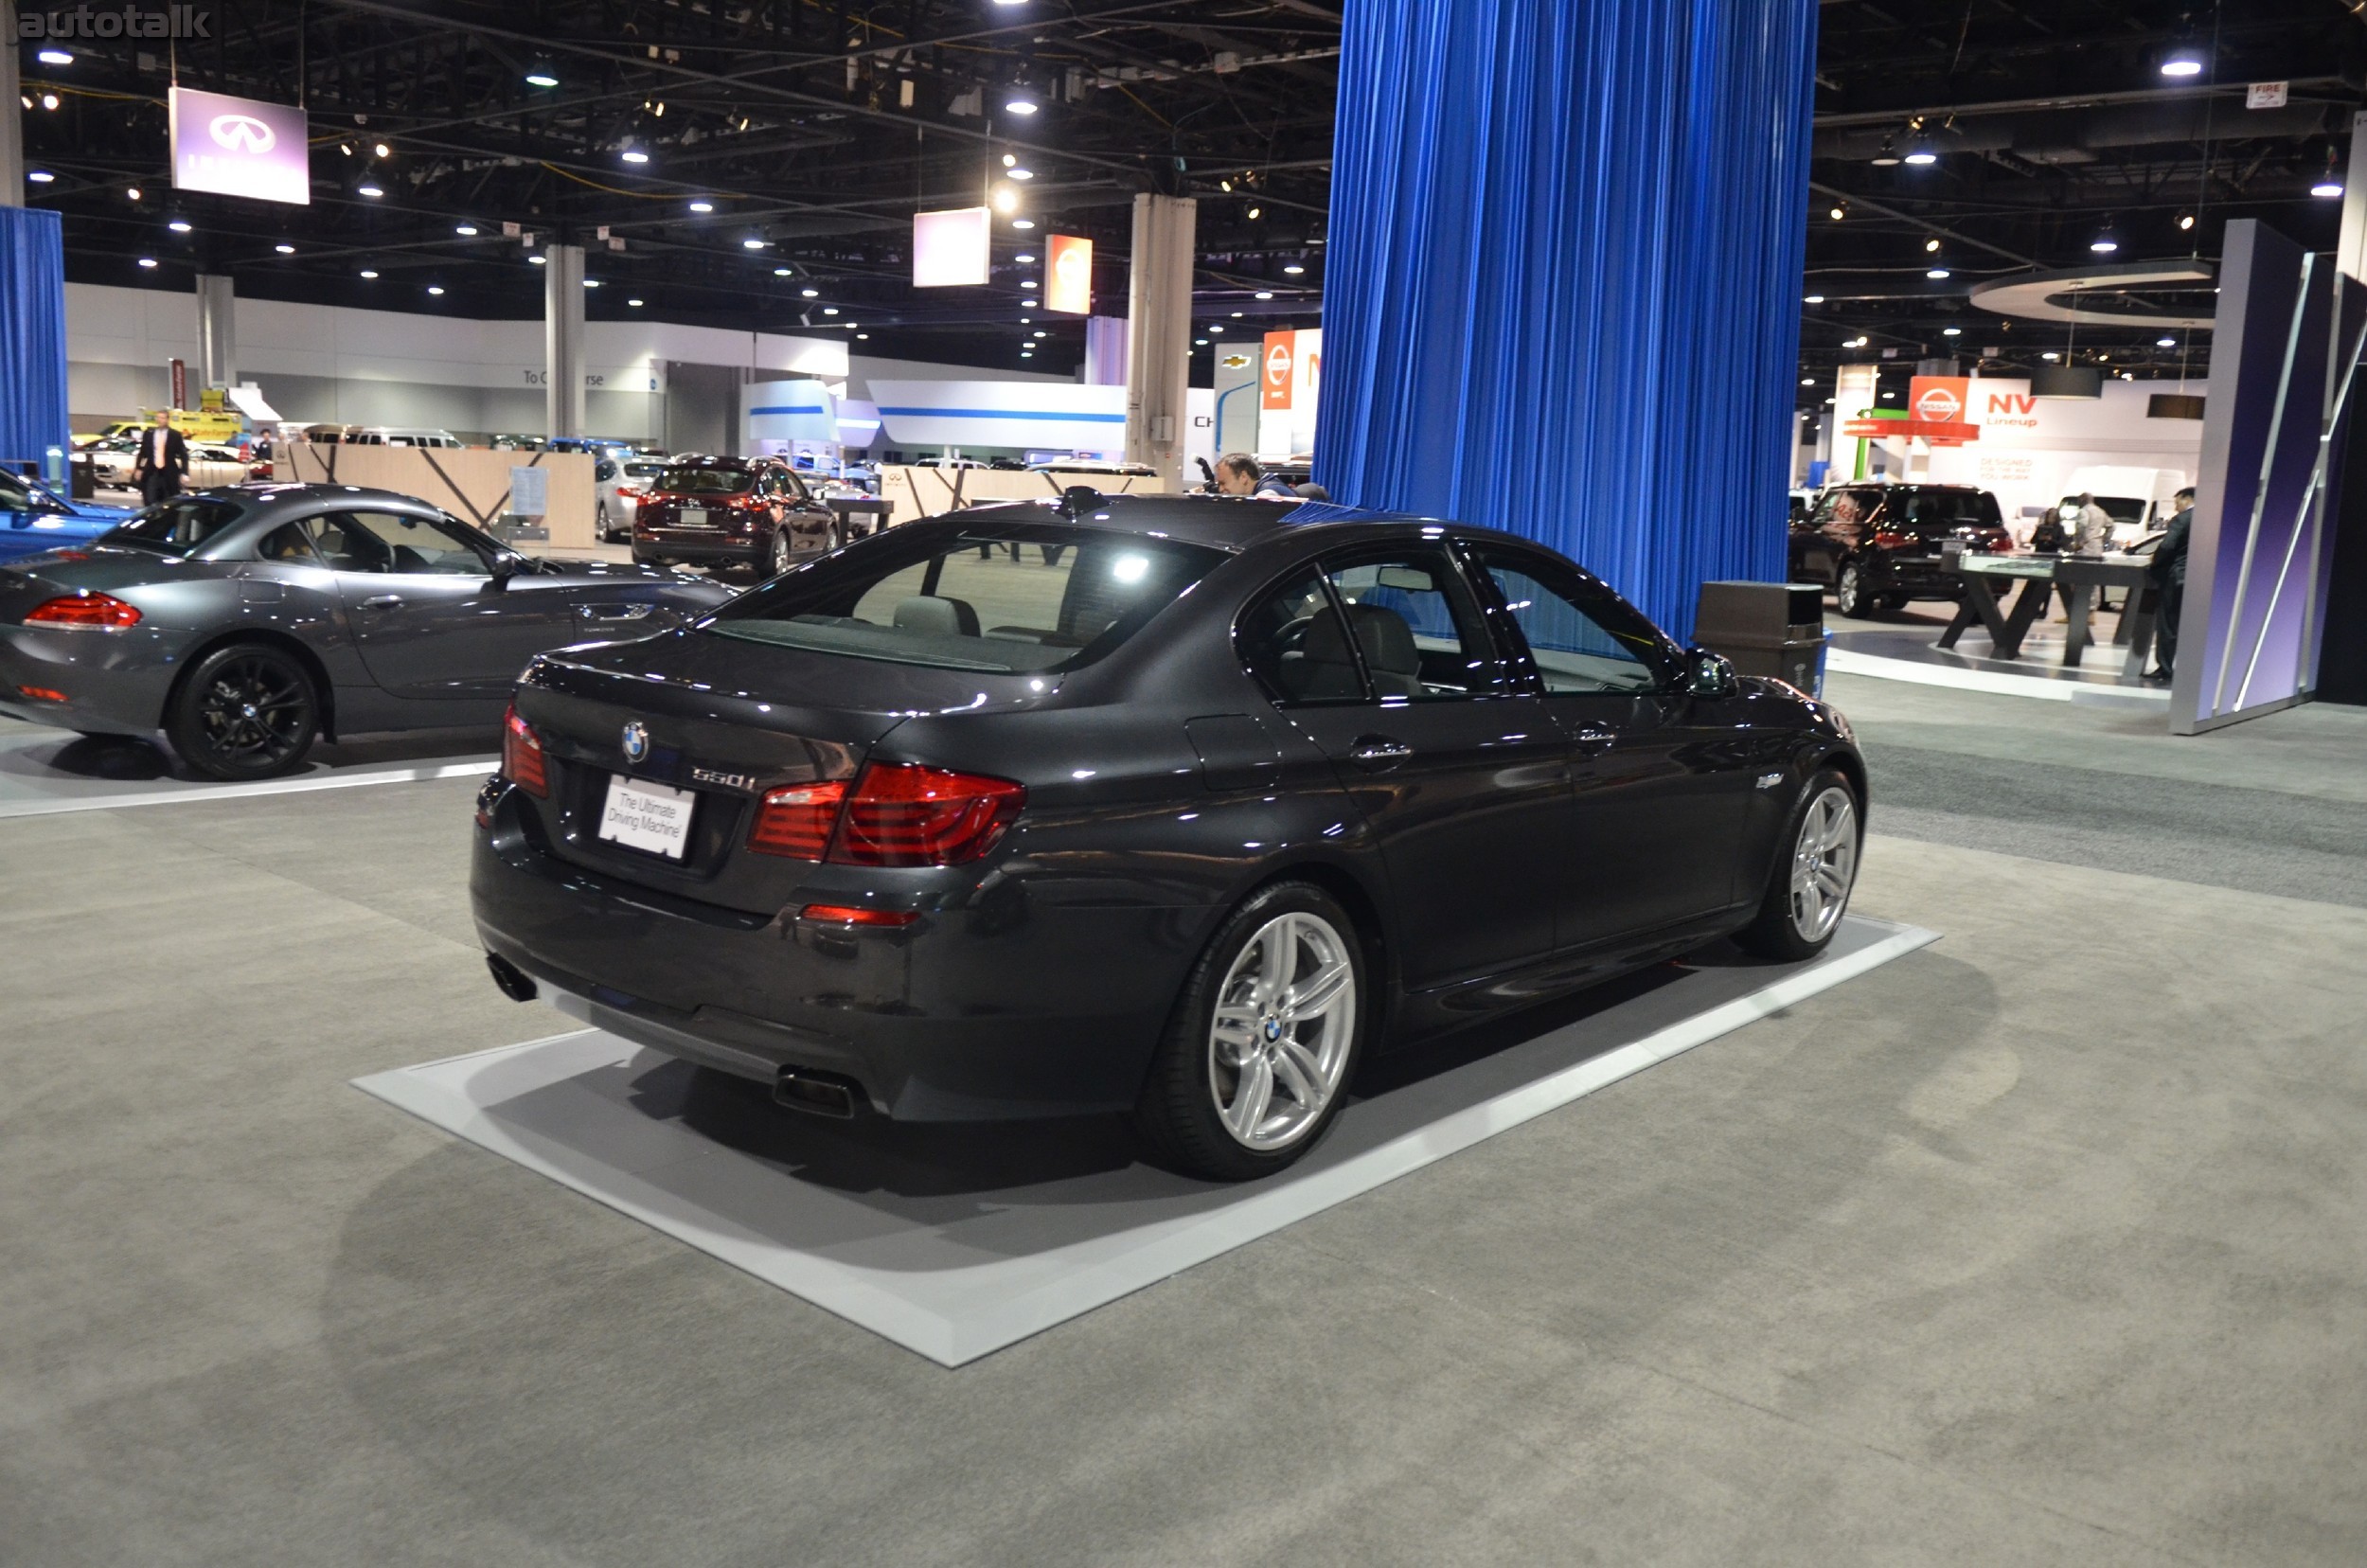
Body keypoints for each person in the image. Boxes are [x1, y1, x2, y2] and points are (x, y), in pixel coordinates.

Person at [2146, 486, 2195, 681]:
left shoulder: (2182, 520)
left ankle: (2165, 668)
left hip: (2176, 577)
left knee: (2168, 624)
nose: (2176, 507)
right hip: (2198, 578)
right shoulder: (2210, 517)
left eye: (2177, 502)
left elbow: (2167, 546)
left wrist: (2155, 562)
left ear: (2187, 499)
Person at [130, 411, 188, 508]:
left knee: (168, 499)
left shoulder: (175, 435)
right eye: (158, 418)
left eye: (162, 418)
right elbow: (142, 453)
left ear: (167, 420)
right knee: (150, 497)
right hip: (152, 470)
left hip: (169, 472)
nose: (159, 420)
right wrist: (139, 468)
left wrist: (184, 472)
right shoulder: (149, 433)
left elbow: (183, 455)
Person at [1213, 452, 1298, 498]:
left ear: (1243, 477)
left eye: (1223, 483)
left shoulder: (1267, 496)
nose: (1220, 489)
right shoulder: (1265, 485)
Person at [2073, 491, 2113, 555]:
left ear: (2082, 500)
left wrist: (2079, 541)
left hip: (2085, 546)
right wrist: (2105, 539)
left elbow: (2082, 526)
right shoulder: (2101, 511)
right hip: (2098, 546)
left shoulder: (2084, 511)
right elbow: (2112, 526)